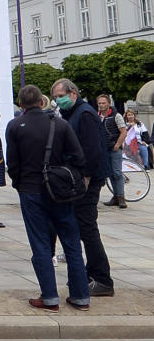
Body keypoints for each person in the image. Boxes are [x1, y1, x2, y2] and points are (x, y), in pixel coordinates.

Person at [7, 84, 90, 312]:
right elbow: (79, 157)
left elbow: (12, 164)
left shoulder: (15, 126)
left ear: (21, 104)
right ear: (42, 102)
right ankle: (81, 296)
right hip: (60, 190)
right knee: (71, 242)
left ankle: (50, 297)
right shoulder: (60, 124)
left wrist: (20, 183)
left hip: (31, 189)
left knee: (40, 243)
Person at [50, 78, 115, 297]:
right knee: (80, 226)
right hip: (79, 177)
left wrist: (86, 177)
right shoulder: (74, 113)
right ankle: (87, 274)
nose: (58, 100)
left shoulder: (84, 114)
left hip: (88, 178)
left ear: (73, 94)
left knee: (87, 228)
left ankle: (102, 279)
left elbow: (93, 149)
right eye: (56, 97)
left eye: (61, 96)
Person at [97, 94, 128, 208]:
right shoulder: (98, 115)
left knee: (117, 173)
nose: (101, 105)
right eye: (99, 103)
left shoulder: (116, 115)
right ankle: (115, 196)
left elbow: (123, 132)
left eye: (103, 103)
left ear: (109, 104)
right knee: (110, 174)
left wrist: (117, 144)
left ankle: (121, 197)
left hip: (114, 148)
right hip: (104, 149)